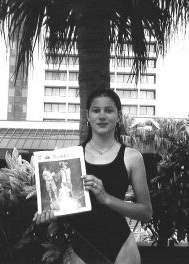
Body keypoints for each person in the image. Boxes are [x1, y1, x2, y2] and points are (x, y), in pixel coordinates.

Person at [34, 89, 152, 264]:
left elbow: (146, 213)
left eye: (109, 110)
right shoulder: (70, 158)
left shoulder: (132, 157)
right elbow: (66, 204)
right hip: (82, 246)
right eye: (96, 110)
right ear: (88, 116)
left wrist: (106, 198)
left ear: (118, 116)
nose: (102, 116)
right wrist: (50, 212)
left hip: (122, 248)